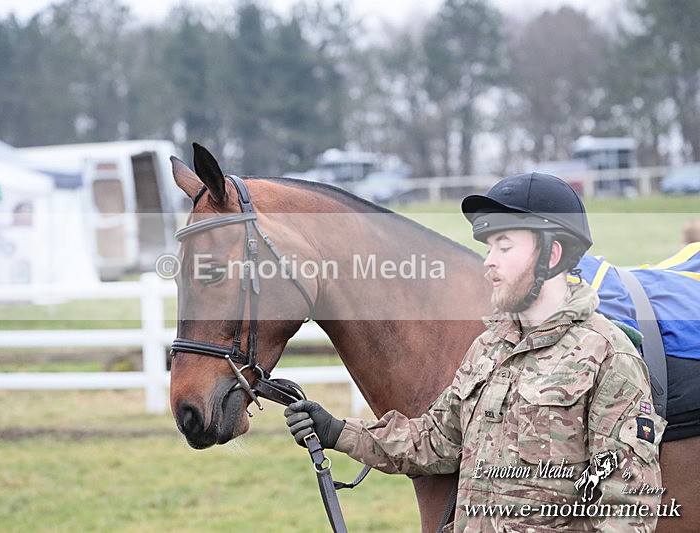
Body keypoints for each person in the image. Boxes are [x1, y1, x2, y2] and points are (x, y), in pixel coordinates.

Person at [285, 172, 665, 531]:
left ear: (551, 255)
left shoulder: (609, 357)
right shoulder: (487, 348)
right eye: (488, 247)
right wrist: (338, 432)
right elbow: (435, 442)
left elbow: (628, 509)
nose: (489, 261)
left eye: (504, 246)